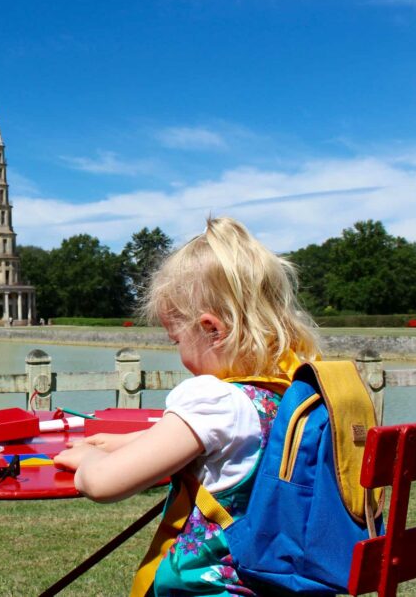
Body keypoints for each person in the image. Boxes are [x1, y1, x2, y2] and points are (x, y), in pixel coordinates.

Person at [54, 217, 320, 597]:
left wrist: (85, 461)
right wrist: (119, 442)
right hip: (274, 582)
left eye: (176, 338)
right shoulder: (285, 395)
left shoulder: (212, 399)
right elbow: (198, 440)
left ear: (211, 330)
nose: (179, 353)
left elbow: (103, 484)